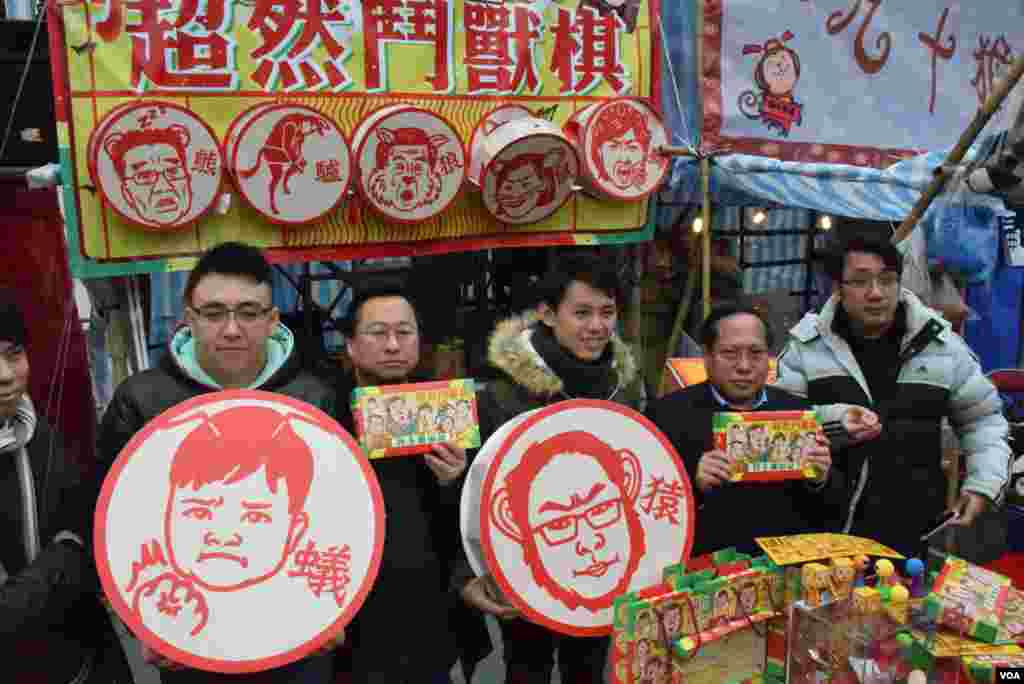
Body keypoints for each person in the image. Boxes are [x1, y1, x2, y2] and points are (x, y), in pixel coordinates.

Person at [97, 241, 339, 683]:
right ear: (189, 319)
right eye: (214, 313)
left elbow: (336, 515)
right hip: (189, 637)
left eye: (249, 312)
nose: (232, 329)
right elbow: (116, 521)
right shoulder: (142, 400)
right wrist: (144, 621)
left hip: (295, 637)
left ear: (272, 320)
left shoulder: (314, 398)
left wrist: (337, 607)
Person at [459, 254, 646, 684]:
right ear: (546, 314)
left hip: (603, 562)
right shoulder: (502, 393)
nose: (597, 326)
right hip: (525, 563)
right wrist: (472, 572)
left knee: (590, 670)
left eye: (607, 312)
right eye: (581, 313)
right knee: (527, 669)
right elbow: (470, 493)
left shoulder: (627, 387)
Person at [773, 237, 1012, 557]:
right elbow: (778, 429)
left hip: (913, 533)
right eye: (860, 281)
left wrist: (983, 485)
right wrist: (836, 422)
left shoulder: (940, 345)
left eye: (887, 280)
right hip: (821, 532)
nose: (876, 293)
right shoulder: (806, 347)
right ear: (838, 288)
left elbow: (983, 420)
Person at [328, 285, 474, 683]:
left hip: (427, 615)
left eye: (404, 332)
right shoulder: (323, 413)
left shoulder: (445, 411)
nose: (393, 344)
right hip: (349, 618)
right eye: (378, 333)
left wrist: (456, 482)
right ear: (352, 345)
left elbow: (472, 521)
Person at [0, 295, 132, 683]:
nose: (5, 374)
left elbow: (92, 553)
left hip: (78, 664)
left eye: (14, 354)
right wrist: (60, 561)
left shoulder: (45, 441)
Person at [645, 304, 833, 557]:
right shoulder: (666, 416)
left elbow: (827, 513)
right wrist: (691, 482)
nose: (744, 366)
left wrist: (819, 480)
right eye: (730, 353)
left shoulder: (798, 413)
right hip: (705, 574)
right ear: (707, 356)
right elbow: (646, 509)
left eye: (756, 353)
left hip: (783, 572)